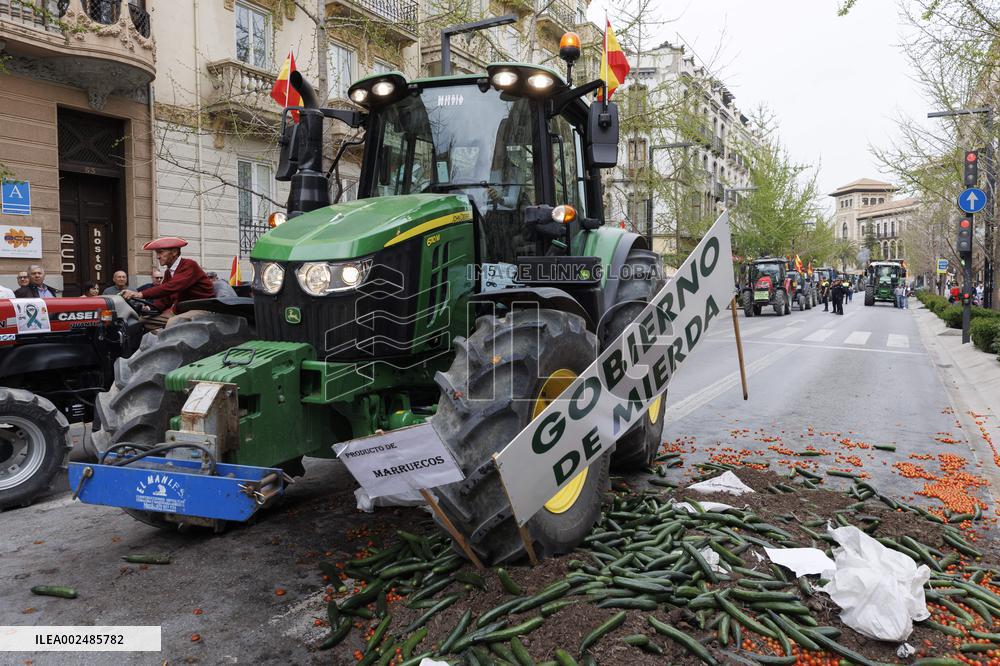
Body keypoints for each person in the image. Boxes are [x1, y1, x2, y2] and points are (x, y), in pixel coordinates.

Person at [120, 237, 215, 329]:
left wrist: (140, 294)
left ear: (174, 252)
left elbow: (171, 287)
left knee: (173, 323)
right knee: (141, 322)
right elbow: (165, 298)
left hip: (201, 308)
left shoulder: (189, 265)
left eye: (160, 252)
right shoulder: (169, 272)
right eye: (157, 253)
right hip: (182, 309)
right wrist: (148, 309)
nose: (157, 257)